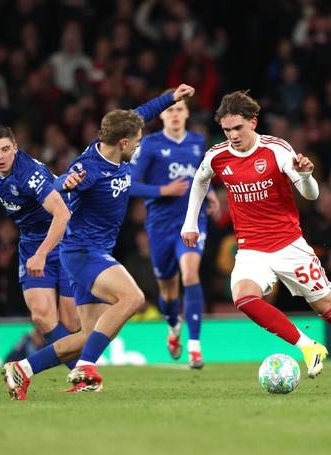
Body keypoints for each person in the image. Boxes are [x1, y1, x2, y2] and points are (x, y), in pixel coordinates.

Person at [181, 91, 331, 393]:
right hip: (251, 249)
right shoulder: (217, 156)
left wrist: (306, 176)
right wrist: (190, 223)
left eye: (238, 128)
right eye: (227, 130)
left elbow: (311, 195)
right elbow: (200, 180)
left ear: (253, 122)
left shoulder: (277, 151)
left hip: (289, 246)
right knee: (243, 298)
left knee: (329, 309)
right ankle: (308, 346)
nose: (232, 135)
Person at [2, 83, 196, 395]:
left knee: (86, 336)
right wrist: (66, 183)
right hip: (84, 252)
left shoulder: (110, 147)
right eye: (137, 142)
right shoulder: (89, 169)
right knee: (133, 299)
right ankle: (84, 368)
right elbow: (58, 186)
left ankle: (22, 369)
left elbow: (140, 114)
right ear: (123, 142)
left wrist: (170, 98)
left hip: (90, 252)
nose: (139, 146)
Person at [0, 125, 86, 399]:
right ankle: (82, 374)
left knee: (70, 324)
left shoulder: (29, 175)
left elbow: (63, 214)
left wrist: (42, 253)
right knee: (42, 317)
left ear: (15, 148)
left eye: (6, 149)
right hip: (32, 243)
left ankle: (74, 373)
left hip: (65, 240)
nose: (1, 156)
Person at [129, 94, 219, 368]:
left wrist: (210, 193)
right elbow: (131, 184)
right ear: (162, 115)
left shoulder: (197, 142)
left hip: (191, 221)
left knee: (190, 274)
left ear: (187, 113)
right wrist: (164, 190)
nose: (175, 114)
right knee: (168, 293)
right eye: (170, 110)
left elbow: (203, 175)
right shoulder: (150, 144)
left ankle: (195, 347)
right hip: (160, 226)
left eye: (180, 109)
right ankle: (172, 325)